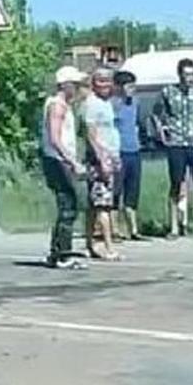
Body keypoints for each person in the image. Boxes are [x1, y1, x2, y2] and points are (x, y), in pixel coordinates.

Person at [152, 58, 193, 237]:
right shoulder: (168, 92)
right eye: (186, 74)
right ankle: (174, 226)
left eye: (192, 74)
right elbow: (156, 113)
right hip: (176, 143)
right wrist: (161, 133)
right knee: (176, 184)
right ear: (179, 75)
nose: (190, 78)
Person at [41, 66, 89, 269]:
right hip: (57, 161)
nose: (77, 89)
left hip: (58, 160)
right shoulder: (57, 106)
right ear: (66, 85)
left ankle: (58, 251)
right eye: (75, 85)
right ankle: (62, 254)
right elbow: (54, 138)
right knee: (68, 205)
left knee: (68, 204)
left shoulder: (63, 106)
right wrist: (73, 162)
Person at [83, 68, 122, 261]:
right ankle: (108, 247)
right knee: (103, 205)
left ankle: (90, 244)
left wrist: (114, 157)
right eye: (101, 81)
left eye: (108, 81)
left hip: (110, 156)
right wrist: (101, 159)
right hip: (98, 161)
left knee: (94, 205)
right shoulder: (92, 104)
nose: (105, 85)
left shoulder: (106, 103)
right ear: (94, 83)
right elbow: (91, 133)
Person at [112, 70, 143, 240]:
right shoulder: (113, 105)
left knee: (133, 191)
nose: (132, 89)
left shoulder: (136, 103)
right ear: (119, 87)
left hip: (134, 151)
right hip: (119, 152)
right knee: (116, 192)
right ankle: (114, 229)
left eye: (134, 85)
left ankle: (134, 229)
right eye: (129, 85)